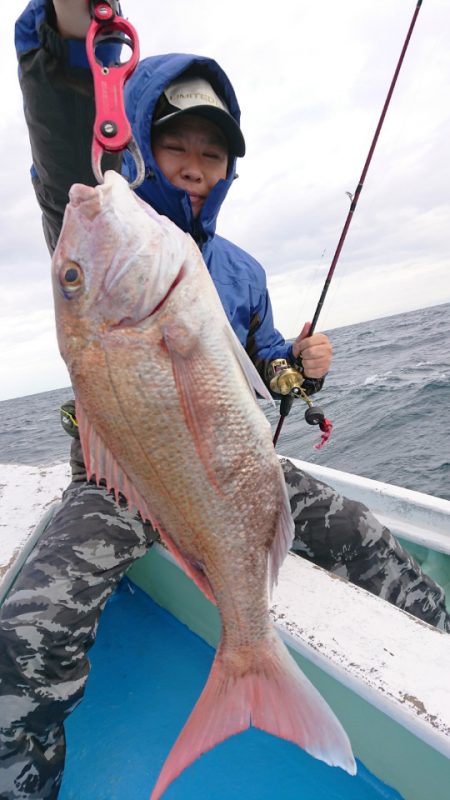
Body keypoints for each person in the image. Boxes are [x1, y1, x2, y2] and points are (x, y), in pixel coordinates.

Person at [1, 1, 449, 797]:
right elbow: (65, 139)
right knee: (29, 626)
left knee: (372, 542)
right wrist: (63, 35)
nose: (196, 164)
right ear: (138, 145)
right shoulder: (111, 232)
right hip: (120, 479)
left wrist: (299, 369)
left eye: (213, 152)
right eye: (175, 144)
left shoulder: (237, 269)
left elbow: (265, 367)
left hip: (235, 474)